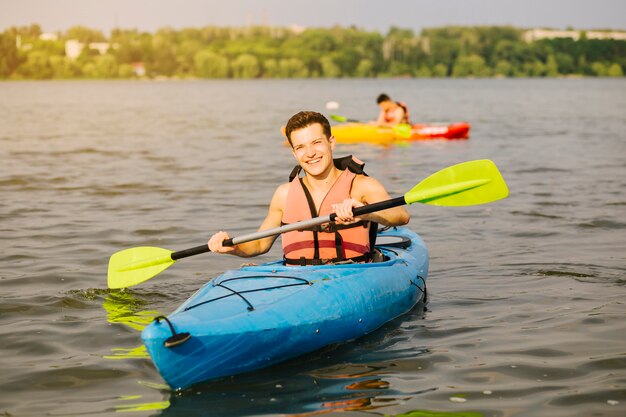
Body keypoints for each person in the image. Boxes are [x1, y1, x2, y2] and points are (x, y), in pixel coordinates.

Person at [208, 111, 410, 265]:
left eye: (316, 143)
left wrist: (366, 214)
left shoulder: (361, 185)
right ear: (294, 153)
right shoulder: (283, 194)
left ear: (331, 143)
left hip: (351, 274)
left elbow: (400, 216)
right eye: (301, 147)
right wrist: (233, 247)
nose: (310, 153)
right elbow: (260, 244)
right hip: (299, 279)